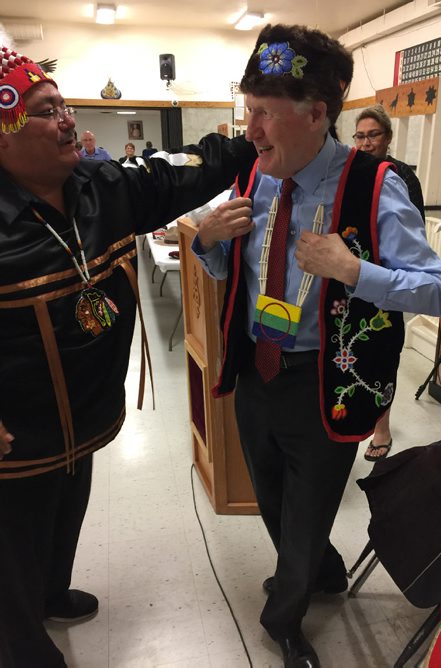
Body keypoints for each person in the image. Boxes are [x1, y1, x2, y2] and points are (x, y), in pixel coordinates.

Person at [193, 24, 441, 667]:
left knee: (307, 509)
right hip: (257, 370)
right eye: (247, 109)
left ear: (316, 114)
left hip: (325, 382)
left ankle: (285, 617)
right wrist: (207, 244)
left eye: (263, 114)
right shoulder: (256, 175)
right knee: (274, 496)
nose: (248, 130)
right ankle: (318, 570)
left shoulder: (375, 185)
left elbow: (436, 292)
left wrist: (353, 271)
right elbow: (239, 276)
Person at [0, 44, 256, 668]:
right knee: (13, 543)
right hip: (16, 434)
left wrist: (259, 134)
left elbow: (183, 171)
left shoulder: (99, 185)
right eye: (44, 111)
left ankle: (52, 592)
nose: (65, 120)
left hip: (82, 414)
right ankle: (21, 646)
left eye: (62, 104)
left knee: (68, 510)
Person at [353, 104, 425, 462]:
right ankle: (350, 419)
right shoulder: (349, 173)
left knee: (383, 357)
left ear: (387, 138)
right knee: (351, 353)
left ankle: (381, 428)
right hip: (352, 280)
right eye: (360, 136)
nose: (366, 143)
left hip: (387, 284)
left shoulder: (402, 177)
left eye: (374, 135)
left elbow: (413, 236)